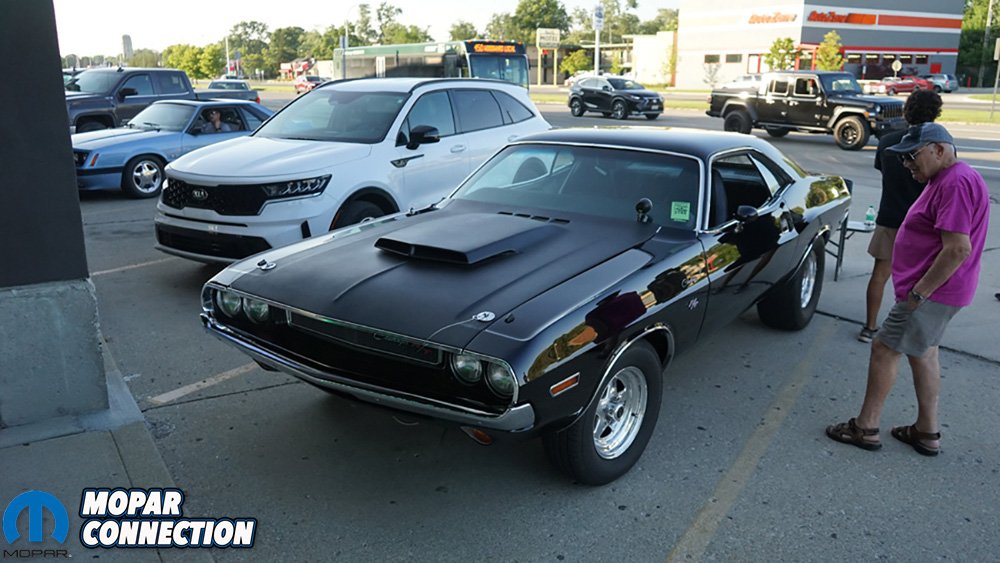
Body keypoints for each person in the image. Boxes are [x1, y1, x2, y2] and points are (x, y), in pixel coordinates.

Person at [826, 123, 990, 456]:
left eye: (913, 157)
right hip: (940, 292)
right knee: (924, 352)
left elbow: (958, 248)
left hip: (931, 293)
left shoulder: (956, 182)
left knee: (884, 348)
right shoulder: (946, 178)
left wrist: (918, 294)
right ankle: (926, 432)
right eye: (904, 159)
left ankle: (865, 427)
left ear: (939, 150)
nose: (907, 165)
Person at [859, 90, 943, 343]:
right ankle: (908, 331)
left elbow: (883, 171)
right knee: (920, 280)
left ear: (907, 111)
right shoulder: (937, 148)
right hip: (924, 224)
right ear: (936, 114)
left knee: (880, 274)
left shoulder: (887, 142)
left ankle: (869, 327)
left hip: (890, 216)